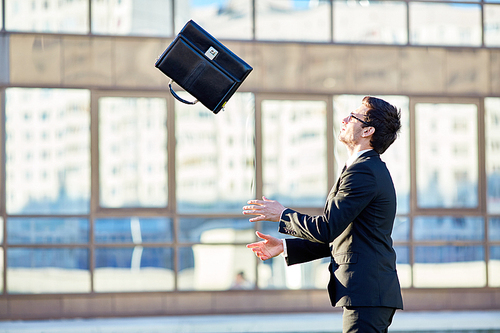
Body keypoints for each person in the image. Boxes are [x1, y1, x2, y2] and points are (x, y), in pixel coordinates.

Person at [242, 96, 403, 333]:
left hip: (368, 293)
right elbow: (341, 237)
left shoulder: (364, 171)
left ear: (368, 130)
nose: (344, 119)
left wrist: (282, 214)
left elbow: (327, 227)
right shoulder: (364, 168)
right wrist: (286, 247)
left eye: (353, 116)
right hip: (369, 293)